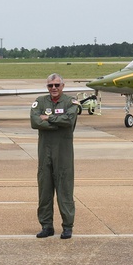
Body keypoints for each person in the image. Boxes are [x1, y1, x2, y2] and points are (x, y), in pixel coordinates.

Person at [30, 72, 78, 239]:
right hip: (45, 153)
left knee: (65, 190)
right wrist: (57, 122)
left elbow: (69, 120)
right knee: (44, 191)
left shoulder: (70, 101)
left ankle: (67, 226)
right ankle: (46, 226)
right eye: (51, 85)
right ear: (47, 87)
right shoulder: (40, 101)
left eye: (57, 85)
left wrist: (48, 119)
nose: (54, 88)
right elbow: (35, 121)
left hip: (63, 153)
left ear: (62, 86)